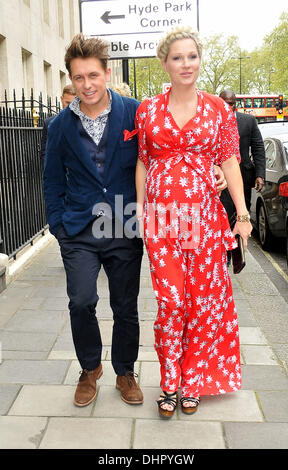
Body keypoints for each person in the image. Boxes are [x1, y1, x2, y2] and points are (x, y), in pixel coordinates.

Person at [135, 26, 252, 419]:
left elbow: (230, 161)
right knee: (171, 302)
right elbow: (143, 161)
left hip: (205, 219)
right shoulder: (147, 109)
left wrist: (243, 214)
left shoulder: (219, 110)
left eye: (192, 56)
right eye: (177, 57)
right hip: (162, 221)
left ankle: (192, 380)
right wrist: (138, 211)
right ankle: (169, 379)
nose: (186, 64)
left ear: (199, 60)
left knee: (202, 304)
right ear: (164, 62)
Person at [43, 33, 144, 408]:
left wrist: (214, 170)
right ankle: (89, 369)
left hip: (124, 224)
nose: (86, 85)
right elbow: (52, 179)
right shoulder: (59, 126)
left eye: (93, 76)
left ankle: (124, 370)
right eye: (78, 78)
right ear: (71, 79)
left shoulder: (134, 112)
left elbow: (163, 156)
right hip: (79, 229)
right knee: (81, 301)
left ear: (107, 72)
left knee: (125, 305)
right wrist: (59, 226)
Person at [219, 89, 265, 217]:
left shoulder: (248, 121)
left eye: (231, 104)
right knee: (224, 214)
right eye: (225, 103)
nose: (228, 107)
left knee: (242, 213)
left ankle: (240, 237)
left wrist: (260, 175)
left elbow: (258, 148)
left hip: (243, 176)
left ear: (235, 104)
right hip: (221, 178)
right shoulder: (212, 122)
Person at [39, 84, 76, 161]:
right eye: (68, 103)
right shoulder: (49, 123)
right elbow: (45, 153)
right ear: (62, 99)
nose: (71, 107)